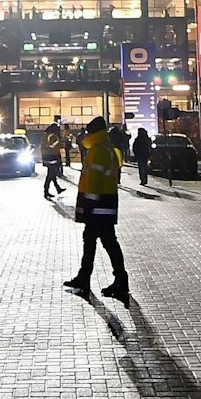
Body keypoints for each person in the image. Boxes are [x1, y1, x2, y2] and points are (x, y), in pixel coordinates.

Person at [63, 116, 129, 302]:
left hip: (97, 206)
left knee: (102, 242)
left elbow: (94, 180)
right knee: (100, 242)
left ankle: (115, 281)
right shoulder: (107, 149)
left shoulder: (98, 151)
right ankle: (92, 278)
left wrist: (87, 205)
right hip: (106, 204)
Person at [41, 118, 66, 198]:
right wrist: (56, 145)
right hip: (51, 158)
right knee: (50, 175)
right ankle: (47, 191)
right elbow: (49, 146)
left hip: (49, 158)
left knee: (52, 174)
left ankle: (56, 188)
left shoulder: (46, 134)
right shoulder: (51, 135)